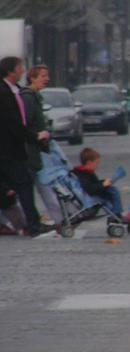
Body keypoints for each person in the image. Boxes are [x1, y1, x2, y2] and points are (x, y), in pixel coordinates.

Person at [0, 56, 52, 236]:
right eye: (19, 67)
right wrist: (34, 137)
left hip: (10, 149)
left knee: (11, 188)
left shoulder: (13, 90)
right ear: (11, 71)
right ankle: (33, 225)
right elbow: (12, 123)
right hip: (8, 151)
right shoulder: (4, 91)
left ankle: (26, 223)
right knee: (24, 184)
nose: (22, 70)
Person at [21, 64, 64, 229]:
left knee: (43, 185)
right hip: (30, 149)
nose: (47, 79)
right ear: (32, 77)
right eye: (43, 76)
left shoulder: (34, 97)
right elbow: (25, 124)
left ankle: (60, 220)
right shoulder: (28, 97)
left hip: (36, 149)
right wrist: (38, 135)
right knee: (29, 187)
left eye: (47, 76)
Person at [73, 147, 125, 218]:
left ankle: (116, 214)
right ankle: (117, 214)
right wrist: (103, 185)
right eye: (96, 163)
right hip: (92, 195)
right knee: (114, 191)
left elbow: (94, 183)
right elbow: (89, 188)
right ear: (89, 162)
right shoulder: (83, 174)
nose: (97, 165)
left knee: (112, 190)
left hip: (95, 191)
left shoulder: (86, 172)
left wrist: (104, 182)